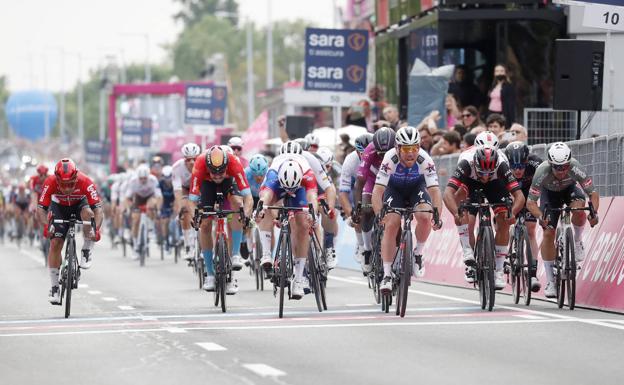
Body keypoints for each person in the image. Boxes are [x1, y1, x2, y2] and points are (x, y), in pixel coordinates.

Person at [443, 145, 525, 288]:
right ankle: (468, 252)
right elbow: (447, 194)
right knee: (463, 209)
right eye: (482, 172)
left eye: (489, 173)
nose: (486, 177)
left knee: (504, 220)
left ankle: (498, 269)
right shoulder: (466, 164)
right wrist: (456, 213)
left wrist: (512, 213)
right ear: (475, 164)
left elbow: (519, 196)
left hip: (496, 185)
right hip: (472, 184)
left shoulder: (501, 166)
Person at [372, 126, 443, 289]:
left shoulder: (425, 159)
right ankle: (387, 275)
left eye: (415, 148)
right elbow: (378, 191)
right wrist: (378, 214)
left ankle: (418, 253)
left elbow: (435, 191)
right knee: (391, 224)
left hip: (416, 188)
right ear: (397, 148)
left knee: (425, 216)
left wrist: (437, 214)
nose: (411, 152)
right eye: (406, 148)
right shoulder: (390, 158)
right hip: (394, 189)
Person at [526, 142, 599, 298]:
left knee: (579, 210)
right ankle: (551, 281)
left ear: (569, 162)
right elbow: (530, 202)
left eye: (565, 166)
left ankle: (578, 240)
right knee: (548, 232)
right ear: (550, 164)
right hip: (549, 195)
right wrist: (540, 216)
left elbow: (593, 193)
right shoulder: (542, 171)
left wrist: (594, 213)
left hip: (569, 190)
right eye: (557, 167)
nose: (561, 171)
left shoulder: (575, 166)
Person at [254, 141, 319, 299]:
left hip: (300, 189)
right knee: (266, 208)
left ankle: (298, 279)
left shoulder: (307, 173)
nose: (289, 191)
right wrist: (261, 209)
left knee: (303, 225)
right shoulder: (273, 174)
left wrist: (313, 214)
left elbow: (312, 197)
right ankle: (267, 254)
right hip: (277, 186)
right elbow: (266, 196)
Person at [38, 159, 103, 304]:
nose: (67, 189)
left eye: (70, 184)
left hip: (79, 205)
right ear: (57, 179)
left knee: (88, 214)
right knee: (55, 243)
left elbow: (98, 210)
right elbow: (41, 209)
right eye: (63, 184)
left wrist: (95, 229)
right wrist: (46, 226)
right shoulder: (49, 182)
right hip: (59, 208)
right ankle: (55, 287)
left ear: (76, 177)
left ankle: (86, 249)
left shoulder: (86, 181)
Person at [190, 145, 253, 294]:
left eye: (221, 172)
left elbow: (248, 197)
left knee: (238, 205)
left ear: (227, 165)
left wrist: (247, 214)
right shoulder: (199, 163)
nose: (217, 176)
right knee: (205, 224)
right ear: (207, 167)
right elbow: (192, 200)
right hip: (207, 185)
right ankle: (210, 275)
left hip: (229, 183)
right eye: (214, 173)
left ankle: (235, 254)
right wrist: (196, 215)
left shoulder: (234, 163)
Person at [353, 127, 396, 273]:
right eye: (381, 154)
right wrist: (357, 206)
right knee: (366, 210)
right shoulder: (369, 150)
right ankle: (367, 249)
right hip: (373, 181)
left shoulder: (400, 150)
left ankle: (396, 255)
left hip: (392, 180)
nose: (384, 157)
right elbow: (359, 182)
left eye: (387, 153)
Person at [505, 141, 543, 292]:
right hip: (510, 193)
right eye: (514, 167)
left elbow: (546, 183)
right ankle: (507, 252)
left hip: (529, 196)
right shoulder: (503, 166)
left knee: (531, 229)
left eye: (521, 166)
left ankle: (533, 274)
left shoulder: (536, 164)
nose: (518, 170)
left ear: (527, 161)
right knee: (502, 219)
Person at [339, 133, 373, 263]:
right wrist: (351, 214)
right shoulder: (350, 161)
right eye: (362, 153)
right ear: (356, 151)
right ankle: (360, 245)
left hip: (374, 184)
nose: (366, 157)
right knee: (359, 213)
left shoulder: (381, 156)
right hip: (357, 186)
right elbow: (343, 192)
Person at [126, 165, 163, 259]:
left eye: (145, 178)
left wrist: (158, 209)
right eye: (141, 178)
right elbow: (127, 198)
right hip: (138, 198)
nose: (143, 180)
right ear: (138, 177)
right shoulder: (133, 181)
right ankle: (135, 245)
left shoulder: (153, 180)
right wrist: (128, 208)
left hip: (150, 197)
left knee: (151, 205)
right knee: (135, 220)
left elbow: (159, 196)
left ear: (148, 176)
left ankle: (150, 228)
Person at [172, 143, 202, 262]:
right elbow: (178, 191)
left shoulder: (203, 165)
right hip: (185, 189)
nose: (191, 162)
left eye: (194, 159)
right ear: (184, 159)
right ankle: (188, 245)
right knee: (185, 211)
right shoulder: (177, 167)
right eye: (188, 159)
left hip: (200, 188)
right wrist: (180, 207)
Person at [488, 64, 516, 128]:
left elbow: (511, 104)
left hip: (502, 114)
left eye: (501, 71)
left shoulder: (509, 87)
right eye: (497, 71)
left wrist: (512, 120)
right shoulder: (493, 86)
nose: (499, 73)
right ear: (494, 73)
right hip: (491, 113)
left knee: (504, 134)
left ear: (505, 73)